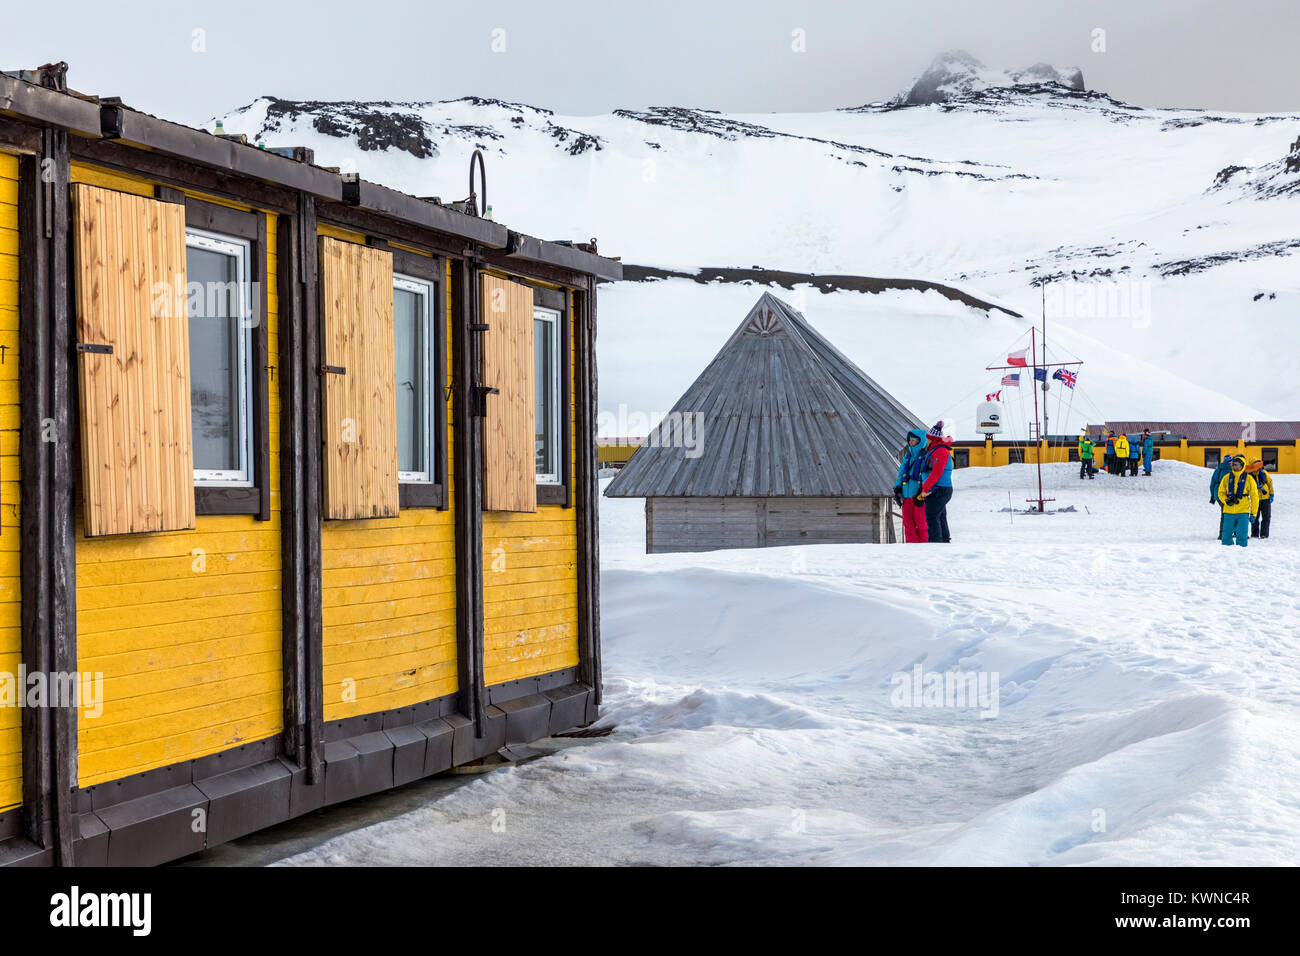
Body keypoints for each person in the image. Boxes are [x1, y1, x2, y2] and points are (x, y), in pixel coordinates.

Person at [917, 421, 954, 543]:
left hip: (939, 489)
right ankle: (944, 541)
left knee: (932, 517)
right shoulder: (936, 450)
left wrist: (925, 488)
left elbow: (936, 473)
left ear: (933, 440)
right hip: (937, 489)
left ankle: (936, 544)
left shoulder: (940, 452)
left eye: (927, 440)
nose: (926, 442)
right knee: (940, 516)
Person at [893, 428, 930, 543]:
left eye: (914, 440)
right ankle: (911, 547)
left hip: (919, 495)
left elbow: (928, 474)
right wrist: (898, 488)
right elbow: (901, 473)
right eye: (910, 440)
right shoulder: (907, 456)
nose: (911, 442)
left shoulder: (926, 456)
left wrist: (922, 490)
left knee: (921, 522)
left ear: (921, 441)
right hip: (906, 495)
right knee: (908, 523)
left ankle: (925, 546)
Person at [1217, 456, 1259, 547]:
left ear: (1242, 466)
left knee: (1242, 536)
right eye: (1233, 465)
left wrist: (1253, 513)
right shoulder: (1226, 478)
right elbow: (1220, 492)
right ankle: (1227, 554)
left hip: (1243, 511)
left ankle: (1242, 555)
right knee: (1226, 536)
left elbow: (1254, 497)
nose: (1234, 467)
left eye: (1237, 465)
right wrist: (1226, 500)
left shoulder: (1249, 479)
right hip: (1228, 511)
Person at [1209, 455, 1236, 540]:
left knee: (1224, 513)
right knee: (1232, 512)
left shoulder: (1218, 469)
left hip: (1218, 494)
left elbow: (1212, 484)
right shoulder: (1233, 470)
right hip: (1228, 493)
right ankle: (1227, 533)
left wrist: (1213, 496)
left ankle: (1223, 533)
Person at [1248, 459, 1274, 539]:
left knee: (1266, 517)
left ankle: (1264, 534)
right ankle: (1255, 534)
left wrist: (1272, 494)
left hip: (1265, 498)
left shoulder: (1264, 473)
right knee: (1255, 516)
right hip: (1255, 499)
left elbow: (1270, 483)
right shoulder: (1249, 476)